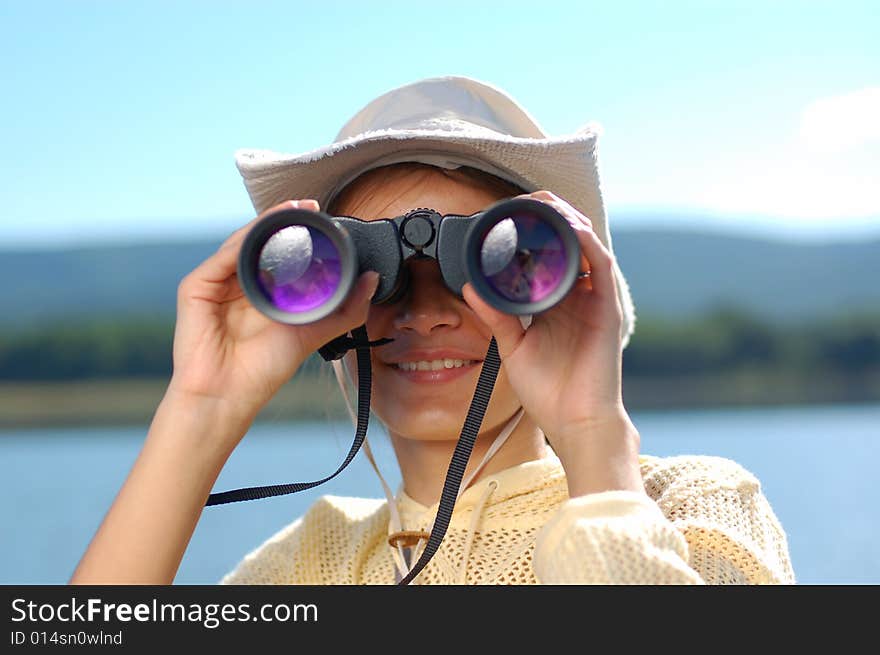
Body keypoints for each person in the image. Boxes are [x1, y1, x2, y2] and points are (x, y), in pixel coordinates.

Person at [69, 76, 795, 585]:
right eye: (373, 272)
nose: (424, 312)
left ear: (561, 291)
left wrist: (592, 438)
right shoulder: (309, 561)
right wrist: (200, 408)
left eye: (490, 266)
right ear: (322, 312)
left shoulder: (690, 505)